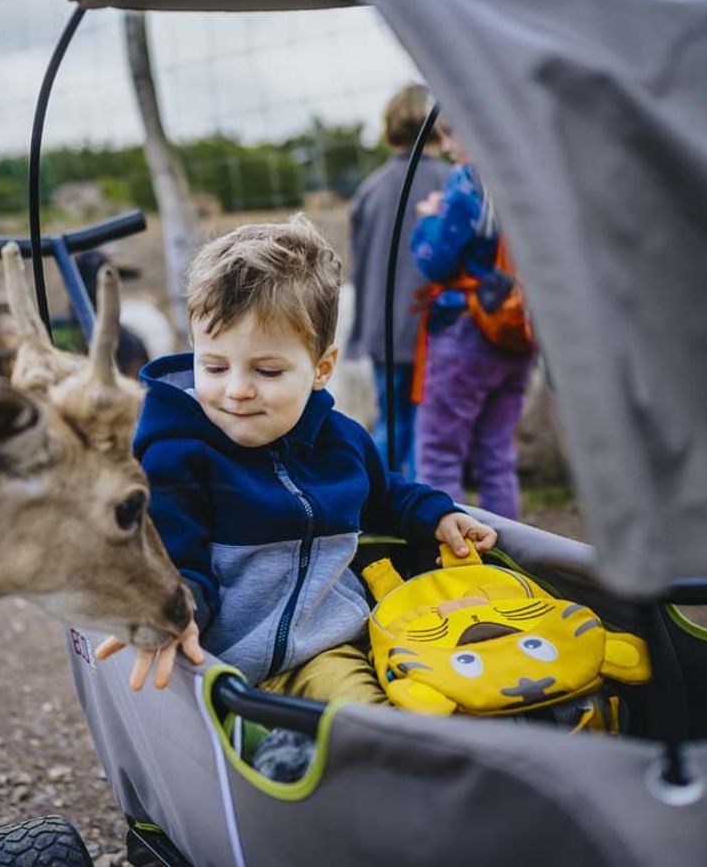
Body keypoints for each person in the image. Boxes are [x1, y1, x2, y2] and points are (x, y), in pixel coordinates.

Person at [96, 216, 497, 710]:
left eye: (267, 370)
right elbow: (178, 561)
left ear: (321, 369)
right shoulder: (178, 455)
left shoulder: (340, 440)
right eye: (214, 366)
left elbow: (385, 494)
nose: (237, 390)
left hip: (334, 646)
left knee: (420, 701)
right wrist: (176, 610)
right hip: (224, 664)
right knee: (360, 725)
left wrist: (436, 514)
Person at [409, 127, 533, 517]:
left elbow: (436, 260)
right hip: (515, 329)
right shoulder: (527, 177)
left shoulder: (467, 180)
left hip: (465, 328)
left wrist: (429, 219)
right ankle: (510, 552)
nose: (446, 147)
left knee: (440, 453)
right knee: (496, 454)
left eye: (451, 134)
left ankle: (446, 556)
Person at [346, 84, 454, 477]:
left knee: (390, 427)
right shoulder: (452, 182)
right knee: (433, 432)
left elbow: (357, 267)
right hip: (439, 329)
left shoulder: (369, 189)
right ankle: (424, 518)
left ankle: (378, 513)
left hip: (384, 331)